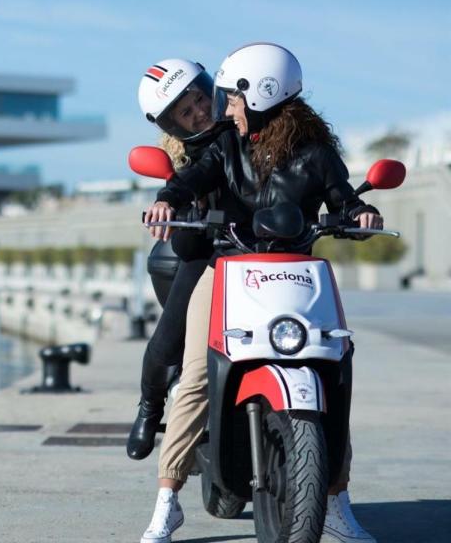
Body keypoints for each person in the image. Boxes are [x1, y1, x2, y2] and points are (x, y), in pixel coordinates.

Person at [139, 43, 380, 543]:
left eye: (232, 99)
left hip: (296, 269)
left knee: (333, 371)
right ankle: (168, 499)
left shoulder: (316, 154)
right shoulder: (226, 145)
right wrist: (166, 199)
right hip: (231, 266)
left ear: (260, 96)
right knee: (197, 374)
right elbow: (190, 179)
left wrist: (361, 215)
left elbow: (345, 197)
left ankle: (336, 500)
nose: (224, 107)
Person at [129, 59, 225, 460]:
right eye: (186, 112)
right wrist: (172, 205)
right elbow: (184, 187)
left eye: (200, 99)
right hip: (206, 255)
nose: (199, 112)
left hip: (262, 254)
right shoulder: (185, 160)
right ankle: (150, 408)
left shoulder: (251, 133)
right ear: (172, 126)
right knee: (166, 343)